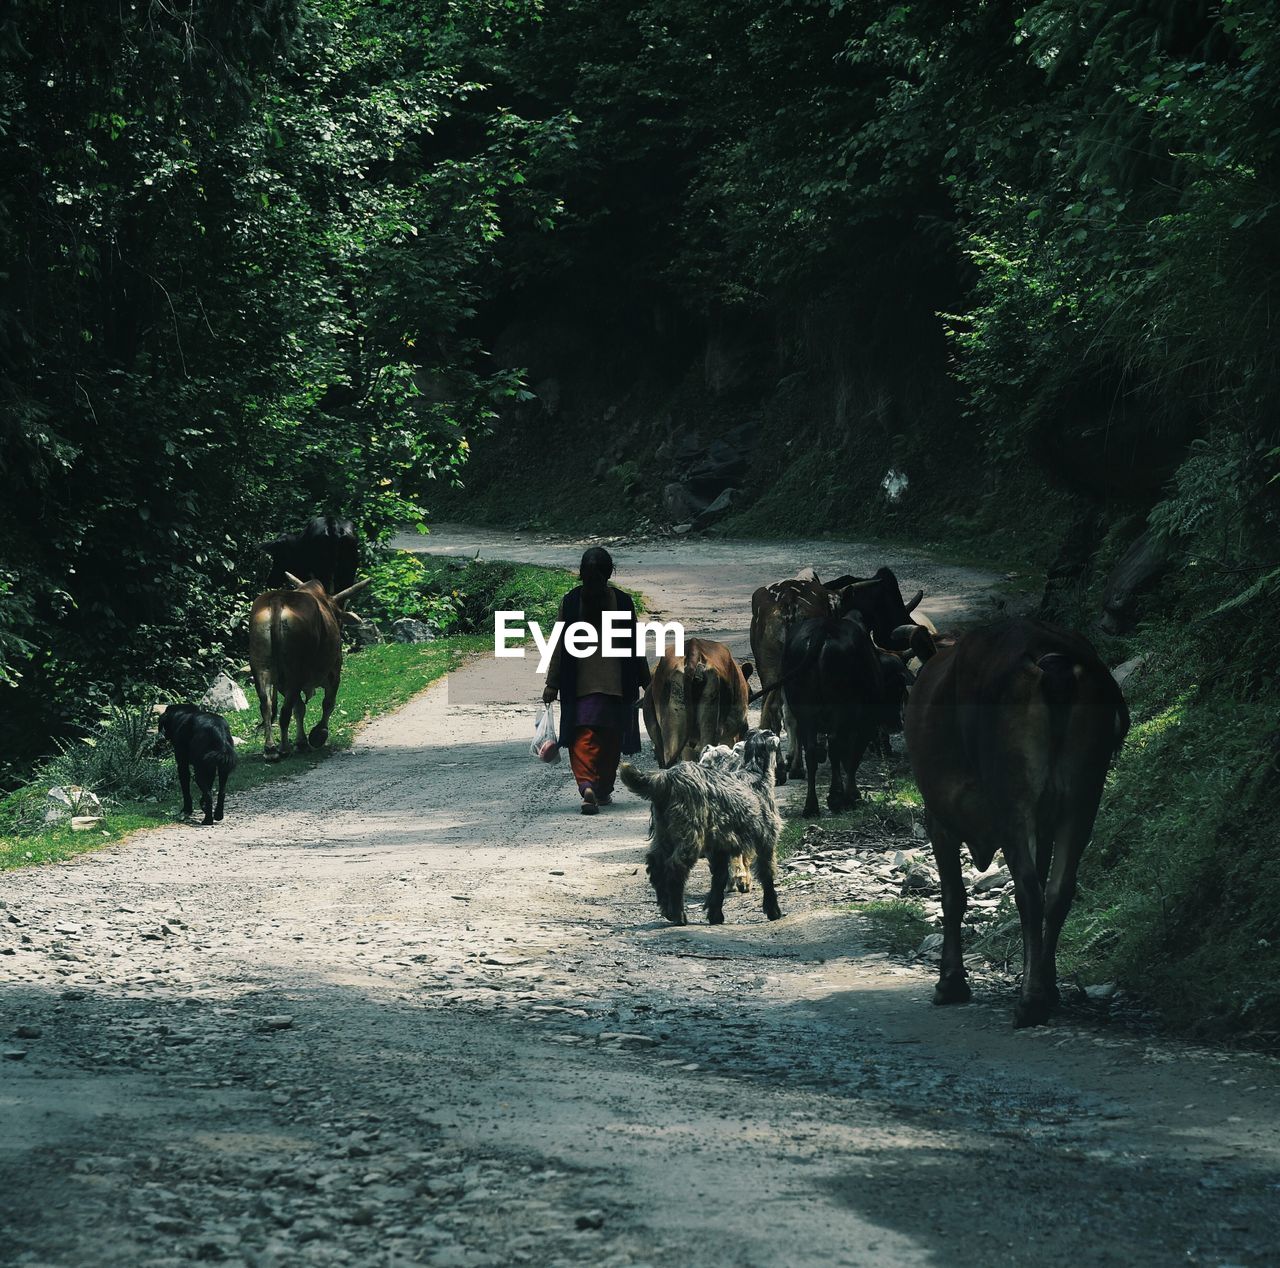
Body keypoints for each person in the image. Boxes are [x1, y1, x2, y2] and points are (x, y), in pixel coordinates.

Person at [543, 547, 651, 814]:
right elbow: (635, 648)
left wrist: (551, 683)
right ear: (609, 572)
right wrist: (647, 682)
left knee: (583, 739)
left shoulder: (570, 602)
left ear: (580, 573)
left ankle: (587, 785)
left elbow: (558, 647)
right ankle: (602, 790)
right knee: (610, 740)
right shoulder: (623, 602)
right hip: (616, 685)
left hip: (578, 687)